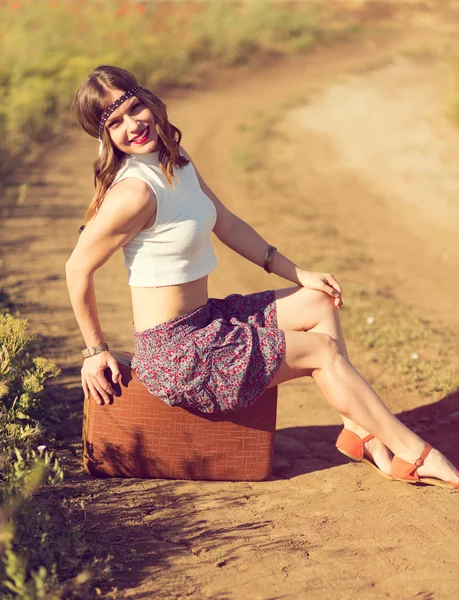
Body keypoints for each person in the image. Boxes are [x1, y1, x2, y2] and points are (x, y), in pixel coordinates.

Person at [66, 65, 459, 489]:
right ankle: (414, 453)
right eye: (116, 122)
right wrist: (95, 350)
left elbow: (229, 224)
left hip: (206, 322)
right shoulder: (134, 193)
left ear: (148, 101)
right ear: (104, 137)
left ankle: (361, 433)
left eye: (133, 107)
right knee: (321, 352)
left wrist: (299, 273)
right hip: (179, 354)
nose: (133, 125)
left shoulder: (176, 162)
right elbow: (77, 268)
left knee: (318, 300)